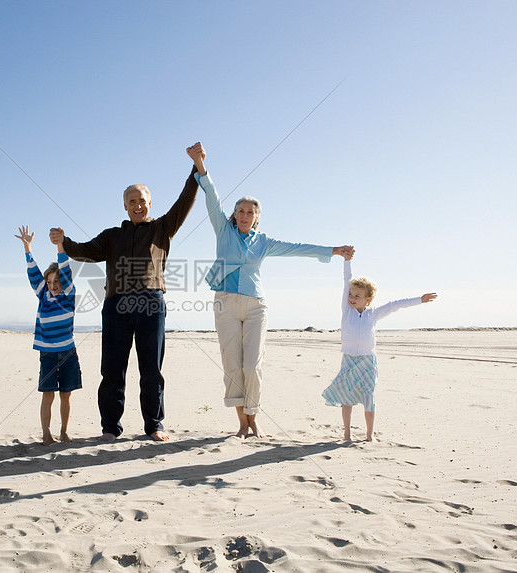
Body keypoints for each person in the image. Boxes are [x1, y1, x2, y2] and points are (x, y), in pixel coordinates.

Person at [187, 143, 354, 439]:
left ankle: (254, 417)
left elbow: (297, 248)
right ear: (234, 214)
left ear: (257, 217)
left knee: (252, 366)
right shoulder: (223, 231)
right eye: (240, 210)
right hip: (225, 303)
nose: (244, 215)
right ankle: (241, 423)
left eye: (250, 212)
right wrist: (200, 163)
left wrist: (334, 250)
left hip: (255, 305)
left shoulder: (263, 242)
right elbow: (211, 197)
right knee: (232, 366)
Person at [49, 149, 201, 442]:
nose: (138, 205)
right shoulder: (111, 236)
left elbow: (185, 201)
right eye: (132, 202)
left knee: (151, 370)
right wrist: (63, 242)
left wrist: (196, 167)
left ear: (149, 203)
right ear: (125, 206)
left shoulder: (162, 228)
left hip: (151, 303)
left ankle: (155, 425)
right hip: (116, 305)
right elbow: (85, 251)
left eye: (142, 201)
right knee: (112, 370)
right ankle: (110, 428)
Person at [321, 253, 437, 441]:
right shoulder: (346, 310)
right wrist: (347, 260)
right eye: (351, 294)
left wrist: (419, 299)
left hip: (368, 361)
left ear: (368, 299)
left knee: (369, 398)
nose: (352, 298)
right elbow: (347, 280)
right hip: (349, 360)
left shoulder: (373, 314)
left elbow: (395, 305)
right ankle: (347, 434)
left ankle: (369, 435)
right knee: (346, 398)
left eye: (357, 296)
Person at [15, 225, 82, 445]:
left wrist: (60, 245)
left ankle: (64, 432)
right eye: (50, 282)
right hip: (48, 354)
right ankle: (46, 434)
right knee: (48, 394)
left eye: (57, 281)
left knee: (66, 394)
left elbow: (64, 266)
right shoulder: (42, 295)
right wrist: (27, 248)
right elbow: (33, 272)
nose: (53, 285)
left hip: (68, 352)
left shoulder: (68, 296)